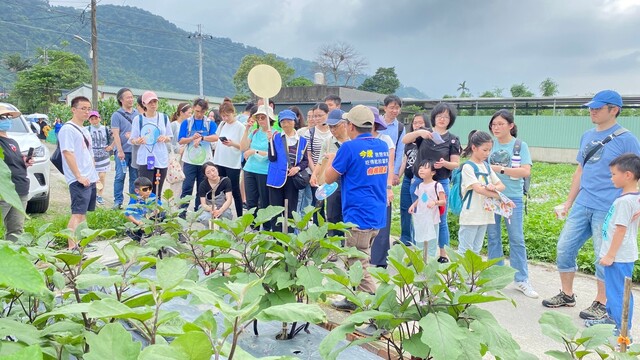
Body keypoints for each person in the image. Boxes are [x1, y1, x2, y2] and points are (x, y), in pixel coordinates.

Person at [542, 90, 640, 321]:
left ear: (614, 110)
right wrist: (568, 202)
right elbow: (580, 170)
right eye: (590, 107)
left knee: (603, 255)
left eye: (597, 108)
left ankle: (601, 302)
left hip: (608, 207)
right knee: (565, 247)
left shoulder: (627, 139)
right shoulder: (587, 136)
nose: (591, 111)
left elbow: (636, 173)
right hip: (583, 204)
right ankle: (566, 294)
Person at [325, 105, 389, 334]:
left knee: (358, 266)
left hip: (357, 216)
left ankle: (379, 320)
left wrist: (332, 158)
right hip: (376, 214)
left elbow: (329, 177)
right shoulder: (382, 145)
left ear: (350, 126)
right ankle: (353, 300)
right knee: (358, 261)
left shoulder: (349, 148)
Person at [583, 153, 640, 334]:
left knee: (619, 293)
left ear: (628, 175)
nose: (611, 177)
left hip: (619, 256)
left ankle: (622, 329)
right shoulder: (633, 197)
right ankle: (611, 319)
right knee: (614, 291)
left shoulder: (624, 201)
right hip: (618, 254)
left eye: (614, 174)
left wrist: (610, 255)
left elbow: (621, 230)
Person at [486, 109, 538, 298]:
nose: (496, 127)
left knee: (516, 239)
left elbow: (525, 171)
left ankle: (521, 279)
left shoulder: (519, 145)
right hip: (491, 196)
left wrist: (499, 169)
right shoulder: (489, 145)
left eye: (500, 124)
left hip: (512, 198)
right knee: (493, 237)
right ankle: (495, 276)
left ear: (511, 125)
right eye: (493, 124)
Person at [402, 103, 461, 262]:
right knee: (419, 216)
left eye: (446, 117)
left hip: (439, 184)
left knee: (440, 219)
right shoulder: (425, 134)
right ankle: (418, 254)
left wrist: (445, 164)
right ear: (434, 117)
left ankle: (443, 253)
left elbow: (456, 163)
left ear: (451, 120)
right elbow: (405, 140)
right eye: (439, 116)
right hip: (420, 183)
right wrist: (420, 132)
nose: (442, 119)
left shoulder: (453, 140)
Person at [59, 96, 99, 249]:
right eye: (83, 108)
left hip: (89, 177)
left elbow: (88, 153)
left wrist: (93, 175)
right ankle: (72, 247)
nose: (86, 112)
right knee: (77, 213)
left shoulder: (84, 129)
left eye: (88, 109)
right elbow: (67, 153)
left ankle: (83, 242)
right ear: (73, 110)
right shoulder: (68, 129)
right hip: (79, 179)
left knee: (83, 213)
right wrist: (78, 176)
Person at [457, 130, 505, 255]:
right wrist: (498, 195)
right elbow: (478, 189)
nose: (487, 153)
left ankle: (472, 275)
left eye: (489, 150)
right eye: (484, 150)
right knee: (465, 251)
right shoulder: (468, 167)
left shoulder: (486, 166)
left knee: (476, 250)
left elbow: (501, 185)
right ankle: (460, 275)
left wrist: (493, 188)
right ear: (474, 147)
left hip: (484, 214)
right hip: (471, 214)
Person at [266, 109, 309, 231]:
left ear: (294, 122)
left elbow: (305, 161)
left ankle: (289, 237)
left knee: (291, 210)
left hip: (292, 179)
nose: (286, 124)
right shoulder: (275, 137)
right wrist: (270, 142)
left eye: (288, 121)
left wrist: (297, 168)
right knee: (275, 210)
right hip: (276, 179)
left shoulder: (303, 141)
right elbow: (272, 158)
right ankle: (277, 238)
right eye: (283, 122)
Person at [310, 109, 349, 239]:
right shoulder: (327, 141)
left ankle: (347, 240)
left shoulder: (352, 141)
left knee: (347, 212)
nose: (332, 129)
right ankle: (334, 240)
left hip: (350, 180)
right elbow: (321, 161)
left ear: (344, 124)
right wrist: (314, 175)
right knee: (332, 212)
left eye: (335, 126)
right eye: (330, 126)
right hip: (333, 180)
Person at [129, 91, 173, 199]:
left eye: (155, 102)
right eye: (150, 102)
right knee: (145, 187)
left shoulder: (164, 118)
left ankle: (156, 212)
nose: (153, 104)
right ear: (144, 103)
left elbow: (170, 137)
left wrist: (165, 138)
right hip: (145, 158)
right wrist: (138, 140)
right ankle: (145, 212)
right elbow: (132, 139)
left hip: (160, 157)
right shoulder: (138, 119)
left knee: (158, 187)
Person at [178, 98, 218, 214]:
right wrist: (192, 138)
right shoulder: (187, 122)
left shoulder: (210, 123)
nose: (199, 114)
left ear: (205, 111)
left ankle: (199, 210)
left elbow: (215, 137)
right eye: (197, 111)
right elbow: (181, 140)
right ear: (193, 108)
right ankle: (182, 211)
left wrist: (202, 138)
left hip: (204, 161)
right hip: (189, 160)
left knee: (202, 187)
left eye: (202, 111)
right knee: (187, 187)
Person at [0, 105, 33, 242]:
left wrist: (24, 161)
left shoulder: (12, 142)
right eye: (2, 117)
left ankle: (11, 259)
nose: (7, 120)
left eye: (8, 117)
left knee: (16, 230)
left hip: (20, 189)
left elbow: (12, 162)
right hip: (4, 192)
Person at [369, 106, 395, 268]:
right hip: (364, 187)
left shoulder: (385, 140)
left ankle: (379, 259)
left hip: (381, 186)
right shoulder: (356, 141)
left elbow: (390, 166)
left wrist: (388, 188)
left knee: (382, 222)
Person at [240, 105, 273, 230]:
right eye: (258, 117)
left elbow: (272, 154)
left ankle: (266, 228)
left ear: (269, 118)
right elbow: (243, 147)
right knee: (251, 201)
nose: (260, 120)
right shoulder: (254, 132)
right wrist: (246, 129)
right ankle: (253, 228)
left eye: (263, 117)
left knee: (264, 201)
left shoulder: (274, 134)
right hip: (250, 169)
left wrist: (255, 151)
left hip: (264, 171)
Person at [213, 98, 245, 217]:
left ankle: (240, 215)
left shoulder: (240, 127)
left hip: (232, 163)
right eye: (223, 116)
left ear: (233, 113)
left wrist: (232, 144)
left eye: (227, 115)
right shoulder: (222, 124)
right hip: (220, 160)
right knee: (219, 188)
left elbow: (243, 146)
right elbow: (216, 137)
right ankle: (220, 212)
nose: (225, 118)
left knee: (235, 190)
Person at [408, 160, 445, 261]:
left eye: (425, 168)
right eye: (420, 168)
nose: (421, 170)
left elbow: (443, 201)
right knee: (419, 241)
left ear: (433, 172)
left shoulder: (437, 185)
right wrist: (413, 205)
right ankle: (420, 263)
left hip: (433, 219)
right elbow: (420, 198)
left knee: (432, 243)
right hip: (421, 218)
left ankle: (430, 264)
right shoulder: (420, 186)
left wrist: (435, 202)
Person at [398, 114, 426, 246]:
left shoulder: (427, 142)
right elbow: (405, 160)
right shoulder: (408, 142)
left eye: (421, 122)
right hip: (408, 179)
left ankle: (419, 240)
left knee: (420, 210)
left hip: (421, 181)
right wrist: (398, 175)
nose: (418, 125)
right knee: (405, 208)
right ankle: (406, 237)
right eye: (415, 123)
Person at [111, 88, 139, 209]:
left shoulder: (137, 115)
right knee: (120, 176)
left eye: (132, 97)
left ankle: (132, 203)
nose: (131, 99)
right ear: (121, 100)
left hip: (135, 151)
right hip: (122, 152)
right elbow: (116, 134)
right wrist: (120, 150)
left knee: (134, 178)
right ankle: (118, 201)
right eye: (128, 97)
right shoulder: (116, 115)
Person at [304, 103, 333, 220]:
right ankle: (319, 230)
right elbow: (309, 156)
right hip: (315, 173)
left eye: (320, 116)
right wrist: (316, 172)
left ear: (327, 114)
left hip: (332, 173)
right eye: (315, 116)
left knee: (332, 204)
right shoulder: (309, 133)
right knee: (317, 204)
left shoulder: (333, 131)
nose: (317, 119)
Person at [124, 176, 164, 242]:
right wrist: (138, 223)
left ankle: (155, 231)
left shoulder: (152, 196)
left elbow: (161, 206)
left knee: (162, 214)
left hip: (150, 219)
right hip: (139, 222)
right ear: (137, 191)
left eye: (150, 189)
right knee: (129, 230)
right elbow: (127, 214)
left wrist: (155, 212)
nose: (148, 191)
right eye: (145, 189)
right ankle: (138, 239)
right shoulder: (134, 199)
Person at [379, 95, 406, 188]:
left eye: (397, 108)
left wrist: (395, 173)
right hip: (375, 163)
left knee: (387, 192)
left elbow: (400, 151)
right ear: (385, 108)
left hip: (390, 167)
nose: (394, 111)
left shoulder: (400, 127)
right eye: (392, 108)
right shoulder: (376, 123)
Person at [87, 110, 113, 205]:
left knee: (101, 176)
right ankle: (91, 195)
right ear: (89, 120)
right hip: (92, 156)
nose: (94, 120)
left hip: (103, 156)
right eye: (92, 119)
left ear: (99, 118)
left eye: (96, 118)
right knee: (92, 177)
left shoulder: (106, 129)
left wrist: (111, 146)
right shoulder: (87, 129)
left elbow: (114, 137)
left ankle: (100, 195)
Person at [168, 102, 192, 200]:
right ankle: (172, 204)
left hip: (186, 156)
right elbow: (167, 142)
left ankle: (179, 204)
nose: (191, 115)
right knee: (176, 181)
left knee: (184, 181)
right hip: (176, 157)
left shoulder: (189, 125)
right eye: (189, 113)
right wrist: (177, 149)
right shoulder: (174, 125)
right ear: (181, 112)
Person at [297, 107, 316, 216]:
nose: (311, 119)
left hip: (314, 171)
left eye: (313, 116)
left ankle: (305, 220)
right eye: (309, 116)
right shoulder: (301, 132)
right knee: (299, 197)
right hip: (303, 171)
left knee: (309, 197)